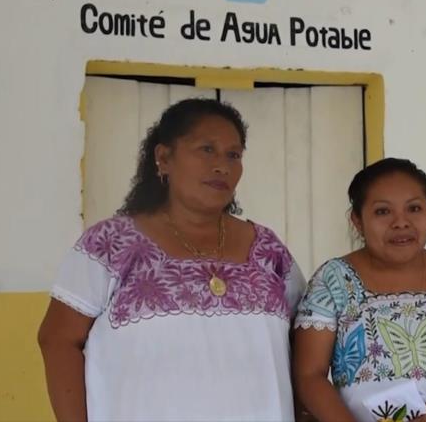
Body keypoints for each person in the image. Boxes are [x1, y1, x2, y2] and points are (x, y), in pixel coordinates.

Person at [37, 98, 305, 421]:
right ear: (164, 158)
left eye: (233, 155)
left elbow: (307, 346)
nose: (222, 166)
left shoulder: (269, 251)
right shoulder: (110, 244)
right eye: (207, 149)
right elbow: (58, 340)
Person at [293, 158, 426, 422]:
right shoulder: (332, 279)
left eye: (414, 208)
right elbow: (309, 375)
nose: (401, 223)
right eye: (383, 212)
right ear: (357, 220)